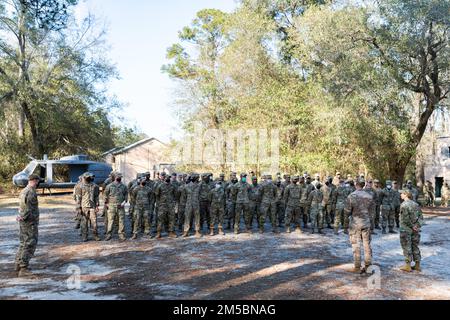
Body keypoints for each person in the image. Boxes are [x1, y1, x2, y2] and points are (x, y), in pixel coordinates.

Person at [345, 180, 374, 274]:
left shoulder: (351, 196)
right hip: (366, 223)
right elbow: (372, 212)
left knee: (356, 245)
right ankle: (368, 267)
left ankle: (357, 267)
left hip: (355, 224)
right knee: (367, 245)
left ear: (356, 185)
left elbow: (347, 211)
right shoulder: (369, 196)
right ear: (363, 185)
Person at [15, 175, 41, 278]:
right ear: (35, 181)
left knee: (23, 242)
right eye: (38, 181)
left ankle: (18, 264)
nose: (38, 183)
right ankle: (23, 268)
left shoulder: (24, 190)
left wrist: (20, 216)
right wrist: (23, 216)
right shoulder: (30, 191)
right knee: (30, 243)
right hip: (29, 222)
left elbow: (21, 205)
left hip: (25, 221)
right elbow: (27, 208)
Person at [399, 190, 424, 272]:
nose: (400, 195)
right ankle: (417, 265)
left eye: (402, 193)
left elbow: (405, 219)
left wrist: (412, 226)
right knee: (415, 246)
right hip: (415, 229)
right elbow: (421, 217)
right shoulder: (416, 204)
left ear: (406, 194)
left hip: (406, 229)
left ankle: (407, 265)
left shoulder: (404, 205)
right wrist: (417, 226)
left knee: (406, 246)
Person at [75, 172, 100, 242]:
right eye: (88, 177)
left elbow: (96, 196)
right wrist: (78, 208)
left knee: (94, 222)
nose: (90, 178)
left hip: (92, 207)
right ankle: (84, 236)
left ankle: (95, 235)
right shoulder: (79, 186)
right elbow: (78, 198)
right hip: (84, 207)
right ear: (85, 177)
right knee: (84, 223)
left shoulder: (95, 186)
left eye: (91, 177)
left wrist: (97, 205)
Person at [104, 173, 128, 241]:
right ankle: (109, 234)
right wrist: (106, 204)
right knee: (111, 221)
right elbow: (105, 195)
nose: (119, 178)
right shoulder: (109, 186)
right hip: (111, 206)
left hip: (120, 206)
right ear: (115, 177)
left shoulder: (124, 186)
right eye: (118, 177)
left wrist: (123, 203)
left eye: (120, 177)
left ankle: (121, 235)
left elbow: (126, 196)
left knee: (121, 221)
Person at [183, 173, 202, 238]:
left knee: (197, 218)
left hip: (196, 204)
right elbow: (184, 196)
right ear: (194, 178)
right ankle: (186, 231)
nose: (198, 179)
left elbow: (200, 195)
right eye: (197, 178)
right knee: (187, 218)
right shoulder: (186, 186)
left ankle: (197, 231)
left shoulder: (199, 186)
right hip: (189, 204)